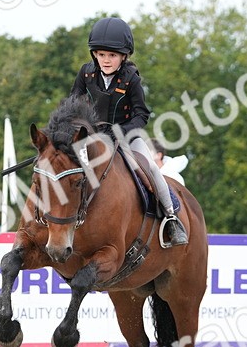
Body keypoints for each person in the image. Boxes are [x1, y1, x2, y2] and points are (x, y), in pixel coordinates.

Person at [70, 17, 186, 247]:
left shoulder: (130, 79)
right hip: (91, 136)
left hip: (126, 136)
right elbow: (72, 105)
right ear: (94, 54)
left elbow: (141, 114)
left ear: (124, 56)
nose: (106, 60)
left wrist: (120, 133)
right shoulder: (86, 74)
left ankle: (171, 217)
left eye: (112, 55)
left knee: (150, 168)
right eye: (101, 54)